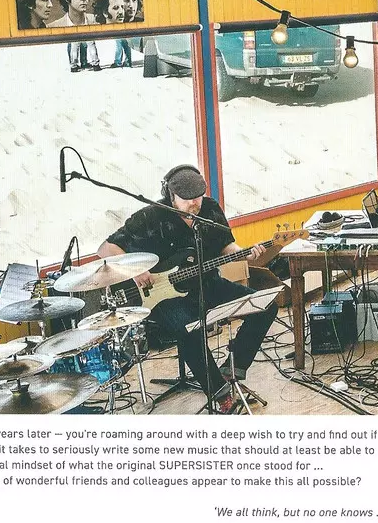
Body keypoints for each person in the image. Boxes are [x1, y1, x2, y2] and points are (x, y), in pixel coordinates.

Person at [97, 165, 278, 413]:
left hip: (208, 283)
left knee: (267, 305)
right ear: (171, 195)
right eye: (187, 198)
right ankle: (219, 392)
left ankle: (231, 369)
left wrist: (246, 254)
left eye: (198, 196)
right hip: (164, 297)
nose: (194, 203)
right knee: (189, 329)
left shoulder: (210, 210)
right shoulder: (151, 216)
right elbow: (106, 249)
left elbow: (226, 246)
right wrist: (136, 271)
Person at [47, 0, 101, 72]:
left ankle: (80, 65)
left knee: (81, 45)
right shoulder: (53, 26)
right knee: (77, 45)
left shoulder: (96, 20)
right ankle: (78, 65)